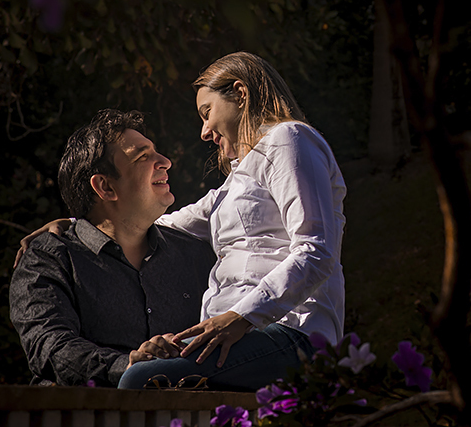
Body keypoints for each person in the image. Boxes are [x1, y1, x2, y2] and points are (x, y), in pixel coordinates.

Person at [114, 51, 347, 391]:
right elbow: (163, 225)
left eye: (206, 113)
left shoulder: (289, 139)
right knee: (146, 369)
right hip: (241, 337)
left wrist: (241, 316)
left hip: (294, 331)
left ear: (240, 94)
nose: (205, 132)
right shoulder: (235, 181)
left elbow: (316, 249)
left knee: (141, 381)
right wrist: (78, 224)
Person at [9, 110, 215, 386]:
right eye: (143, 157)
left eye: (157, 153)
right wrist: (129, 365)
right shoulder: (49, 257)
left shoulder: (196, 255)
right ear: (105, 187)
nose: (165, 162)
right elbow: (49, 347)